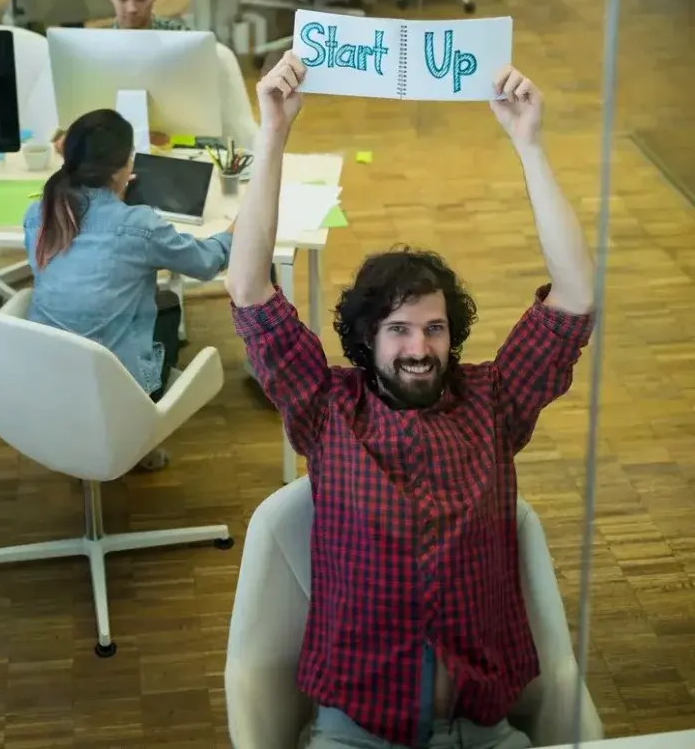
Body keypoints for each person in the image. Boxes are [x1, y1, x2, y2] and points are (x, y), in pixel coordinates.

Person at [227, 53, 595, 749]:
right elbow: (249, 291)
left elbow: (575, 300)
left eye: (434, 329)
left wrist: (529, 142)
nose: (419, 348)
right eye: (398, 331)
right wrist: (273, 132)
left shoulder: (494, 403)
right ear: (368, 342)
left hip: (487, 733)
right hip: (356, 735)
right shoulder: (327, 409)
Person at [23, 108, 232, 467]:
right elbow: (206, 262)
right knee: (168, 306)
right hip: (116, 387)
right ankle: (138, 437)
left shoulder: (39, 212)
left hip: (47, 378)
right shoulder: (139, 226)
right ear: (124, 167)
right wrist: (233, 232)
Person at [105, 0, 258, 149]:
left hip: (177, 155)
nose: (131, 8)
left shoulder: (186, 46)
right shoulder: (94, 48)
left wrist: (173, 139)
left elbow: (209, 132)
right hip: (113, 154)